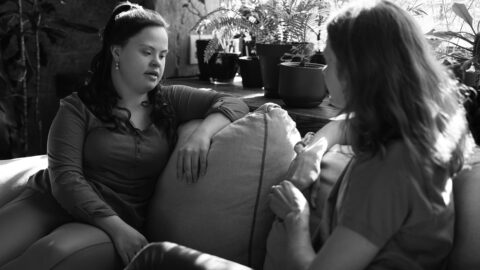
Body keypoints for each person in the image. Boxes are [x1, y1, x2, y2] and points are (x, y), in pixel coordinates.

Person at [0, 2, 248, 269]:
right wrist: (117, 227)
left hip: (109, 223)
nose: (157, 62)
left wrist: (202, 134)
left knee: (51, 252)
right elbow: (65, 179)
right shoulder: (77, 107)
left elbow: (235, 103)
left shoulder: (170, 99)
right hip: (48, 201)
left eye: (163, 55)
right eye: (147, 52)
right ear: (117, 53)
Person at [268, 1, 474, 270]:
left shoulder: (388, 170)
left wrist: (296, 216)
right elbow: (346, 127)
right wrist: (314, 150)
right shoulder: (417, 132)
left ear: (359, 72)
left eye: (329, 61)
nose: (324, 71)